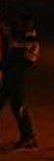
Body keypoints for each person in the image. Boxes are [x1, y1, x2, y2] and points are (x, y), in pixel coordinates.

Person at [0, 14, 39, 149]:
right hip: (8, 78)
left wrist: (8, 35)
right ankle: (28, 136)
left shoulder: (29, 41)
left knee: (18, 107)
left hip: (16, 81)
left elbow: (20, 47)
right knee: (17, 107)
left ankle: (28, 137)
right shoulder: (20, 40)